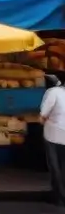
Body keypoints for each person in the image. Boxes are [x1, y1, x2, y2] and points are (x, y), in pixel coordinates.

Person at [41, 73, 65, 206]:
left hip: (53, 135)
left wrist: (42, 120)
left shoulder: (53, 92)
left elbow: (43, 115)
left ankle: (60, 197)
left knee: (55, 166)